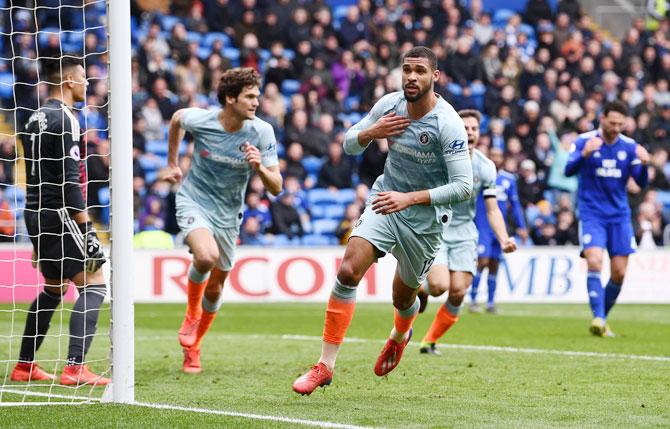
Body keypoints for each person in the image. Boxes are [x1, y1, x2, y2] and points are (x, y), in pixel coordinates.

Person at [292, 46, 473, 395]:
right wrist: (371, 132)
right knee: (347, 271)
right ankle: (324, 365)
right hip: (385, 200)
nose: (411, 77)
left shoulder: (448, 123)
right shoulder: (389, 105)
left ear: (434, 77)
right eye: (407, 69)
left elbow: (464, 187)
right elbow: (347, 144)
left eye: (420, 70)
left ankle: (400, 334)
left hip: (423, 218)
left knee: (403, 299)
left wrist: (411, 198)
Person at [164, 67, 282, 373]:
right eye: (250, 96)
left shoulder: (262, 132)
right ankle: (191, 315)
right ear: (230, 98)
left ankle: (195, 345)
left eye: (257, 96)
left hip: (229, 214)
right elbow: (177, 119)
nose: (256, 102)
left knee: (216, 288)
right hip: (194, 200)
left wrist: (260, 168)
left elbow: (277, 187)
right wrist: (173, 164)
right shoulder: (202, 120)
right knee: (206, 256)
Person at [11, 57, 109, 385]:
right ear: (68, 80)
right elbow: (69, 179)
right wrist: (86, 225)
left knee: (53, 289)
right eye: (83, 79)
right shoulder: (67, 119)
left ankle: (24, 366)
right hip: (62, 214)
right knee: (95, 285)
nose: (87, 85)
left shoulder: (32, 118)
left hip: (35, 213)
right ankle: (75, 367)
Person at [417, 110, 517, 355]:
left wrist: (504, 238)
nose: (469, 132)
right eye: (465, 128)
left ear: (479, 133)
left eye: (474, 128)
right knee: (440, 285)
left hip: (464, 232)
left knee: (459, 291)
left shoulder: (485, 167)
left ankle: (429, 341)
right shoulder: (438, 160)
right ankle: (420, 290)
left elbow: (492, 210)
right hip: (437, 228)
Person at [564, 100, 649, 337]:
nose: (616, 127)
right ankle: (598, 318)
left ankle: (602, 316)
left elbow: (640, 183)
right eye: (612, 122)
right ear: (602, 118)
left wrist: (644, 165)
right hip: (592, 213)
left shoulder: (630, 147)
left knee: (619, 272)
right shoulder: (584, 141)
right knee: (594, 261)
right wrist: (584, 154)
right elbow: (568, 170)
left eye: (620, 124)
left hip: (619, 215)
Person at [469, 147, 528, 313]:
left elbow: (515, 205)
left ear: (502, 158)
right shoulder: (481, 176)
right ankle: (473, 300)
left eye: (498, 156)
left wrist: (521, 226)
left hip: (500, 228)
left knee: (494, 264)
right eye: (493, 155)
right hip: (482, 226)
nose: (495, 158)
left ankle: (490, 303)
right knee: (482, 261)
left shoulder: (509, 179)